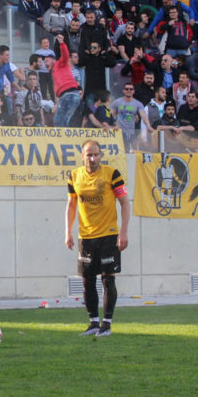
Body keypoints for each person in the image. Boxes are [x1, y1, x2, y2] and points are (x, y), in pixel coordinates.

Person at [65, 139, 132, 338]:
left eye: (96, 155)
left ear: (100, 155)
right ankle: (93, 322)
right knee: (87, 281)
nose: (92, 158)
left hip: (109, 235)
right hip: (85, 236)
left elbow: (125, 203)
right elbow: (71, 205)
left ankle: (107, 324)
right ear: (82, 155)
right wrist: (67, 231)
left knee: (108, 280)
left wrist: (124, 231)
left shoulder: (112, 175)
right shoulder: (74, 176)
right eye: (89, 155)